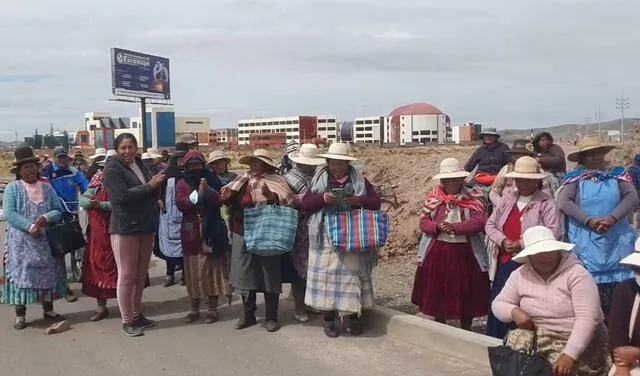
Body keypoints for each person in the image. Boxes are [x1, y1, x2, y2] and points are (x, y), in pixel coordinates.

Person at [492, 226, 611, 376]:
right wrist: (514, 312)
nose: (544, 258)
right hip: (540, 334)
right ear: (529, 256)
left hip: (578, 339)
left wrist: (569, 355)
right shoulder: (520, 275)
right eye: (538, 253)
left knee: (556, 368)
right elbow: (498, 303)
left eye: (548, 252)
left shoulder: (577, 274)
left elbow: (587, 318)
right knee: (516, 343)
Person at [302, 143, 381, 338]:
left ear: (347, 164)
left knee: (351, 278)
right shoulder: (319, 180)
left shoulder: (360, 180)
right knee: (326, 280)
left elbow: (376, 202)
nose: (337, 168)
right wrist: (322, 199)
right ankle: (328, 320)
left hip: (352, 236)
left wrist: (359, 201)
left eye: (341, 164)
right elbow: (306, 204)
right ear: (328, 163)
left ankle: (353, 317)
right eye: (333, 164)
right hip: (325, 238)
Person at [558, 138, 638, 316]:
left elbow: (631, 198)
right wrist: (589, 220)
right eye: (590, 154)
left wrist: (612, 218)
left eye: (599, 153)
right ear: (583, 158)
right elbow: (564, 203)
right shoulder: (575, 179)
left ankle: (619, 325)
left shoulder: (618, 175)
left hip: (617, 238)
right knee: (589, 288)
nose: (595, 157)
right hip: (586, 238)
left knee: (621, 287)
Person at [485, 156, 562, 339]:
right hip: (505, 260)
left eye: (528, 180)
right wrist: (503, 241)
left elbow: (554, 230)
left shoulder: (545, 202)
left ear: (537, 181)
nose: (524, 183)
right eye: (520, 179)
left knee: (528, 301)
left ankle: (527, 342)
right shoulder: (507, 200)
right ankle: (499, 340)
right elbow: (490, 225)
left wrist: (521, 243)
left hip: (531, 262)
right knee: (503, 300)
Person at [411, 158, 489, 331]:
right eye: (447, 180)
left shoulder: (474, 197)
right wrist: (437, 227)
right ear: (442, 181)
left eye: (455, 179)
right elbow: (423, 223)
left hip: (466, 252)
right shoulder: (434, 199)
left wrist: (456, 227)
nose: (451, 182)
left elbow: (479, 222)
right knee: (439, 289)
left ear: (462, 179)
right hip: (439, 250)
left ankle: (466, 325)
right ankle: (441, 324)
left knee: (467, 289)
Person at [222, 149, 294, 333]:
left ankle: (271, 317)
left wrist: (271, 198)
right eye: (252, 162)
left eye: (257, 162)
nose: (253, 165)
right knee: (245, 274)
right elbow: (224, 198)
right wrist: (230, 192)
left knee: (269, 273)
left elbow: (287, 201)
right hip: (242, 232)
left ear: (267, 165)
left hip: (267, 232)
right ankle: (248, 314)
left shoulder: (276, 181)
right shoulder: (242, 180)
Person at [102, 133, 166, 337]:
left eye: (131, 147)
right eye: (123, 148)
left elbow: (151, 187)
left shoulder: (139, 163)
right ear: (117, 150)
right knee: (127, 275)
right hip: (125, 227)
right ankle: (127, 320)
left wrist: (156, 195)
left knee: (140, 274)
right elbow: (120, 196)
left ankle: (136, 314)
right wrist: (150, 187)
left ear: (137, 148)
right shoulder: (112, 168)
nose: (128, 151)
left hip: (145, 224)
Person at [1, 147, 67, 330]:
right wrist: (29, 227)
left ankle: (48, 309)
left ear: (37, 168)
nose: (29, 170)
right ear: (19, 171)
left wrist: (47, 218)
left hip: (45, 241)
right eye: (25, 168)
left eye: (32, 166)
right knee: (22, 277)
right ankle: (20, 315)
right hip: (21, 243)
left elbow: (57, 210)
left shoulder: (47, 187)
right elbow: (10, 213)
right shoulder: (13, 189)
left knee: (48, 274)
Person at [175, 151, 231, 324]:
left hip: (212, 233)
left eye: (198, 165)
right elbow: (181, 204)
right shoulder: (182, 183)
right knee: (193, 274)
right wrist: (198, 194)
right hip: (191, 234)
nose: (195, 169)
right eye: (191, 166)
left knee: (212, 273)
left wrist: (208, 192)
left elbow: (220, 199)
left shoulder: (213, 180)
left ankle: (212, 309)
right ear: (186, 167)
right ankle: (194, 309)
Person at [79, 150, 127, 322]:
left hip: (121, 230)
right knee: (97, 268)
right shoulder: (97, 180)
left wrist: (103, 205)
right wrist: (90, 203)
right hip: (99, 234)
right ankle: (101, 307)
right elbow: (83, 199)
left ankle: (128, 308)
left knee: (124, 270)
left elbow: (124, 202)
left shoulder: (125, 180)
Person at [283, 143, 326, 322]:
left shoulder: (315, 177)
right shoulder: (290, 178)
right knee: (299, 271)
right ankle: (299, 306)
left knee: (313, 268)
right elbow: (289, 201)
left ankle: (309, 303)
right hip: (298, 227)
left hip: (315, 226)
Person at [41, 147, 89, 302]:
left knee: (78, 242)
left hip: (72, 211)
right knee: (59, 251)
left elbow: (85, 185)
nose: (62, 160)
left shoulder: (73, 171)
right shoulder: (47, 172)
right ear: (54, 158)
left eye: (64, 157)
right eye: (59, 157)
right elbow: (43, 190)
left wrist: (88, 196)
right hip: (55, 214)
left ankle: (84, 272)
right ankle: (64, 287)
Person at [156, 144, 188, 287]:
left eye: (183, 158)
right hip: (167, 215)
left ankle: (185, 276)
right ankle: (169, 275)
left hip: (186, 214)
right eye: (178, 158)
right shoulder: (166, 174)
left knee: (185, 245)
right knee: (168, 245)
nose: (181, 161)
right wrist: (159, 200)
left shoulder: (191, 174)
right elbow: (157, 190)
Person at [489, 139, 555, 206]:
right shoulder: (506, 170)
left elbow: (546, 196)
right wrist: (502, 205)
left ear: (530, 156)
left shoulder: (538, 173)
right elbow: (494, 192)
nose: (517, 157)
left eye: (522, 155)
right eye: (515, 154)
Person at [609, 239, 640, 376]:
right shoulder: (625, 290)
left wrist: (637, 353)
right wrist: (622, 367)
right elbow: (617, 334)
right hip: (631, 362)